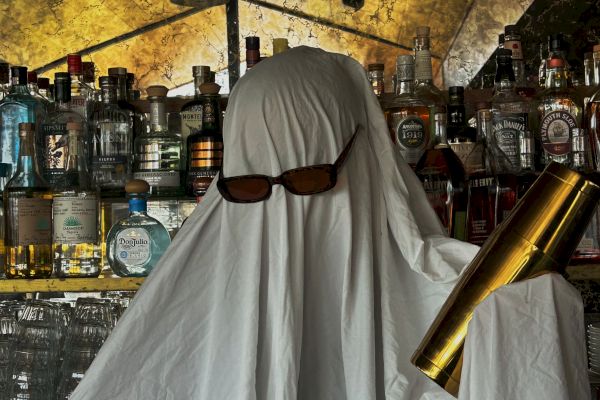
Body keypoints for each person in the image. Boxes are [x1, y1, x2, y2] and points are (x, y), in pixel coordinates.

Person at [70, 46, 478, 400]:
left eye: (307, 179)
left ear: (364, 157)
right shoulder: (173, 320)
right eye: (249, 186)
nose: (281, 214)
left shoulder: (458, 309)